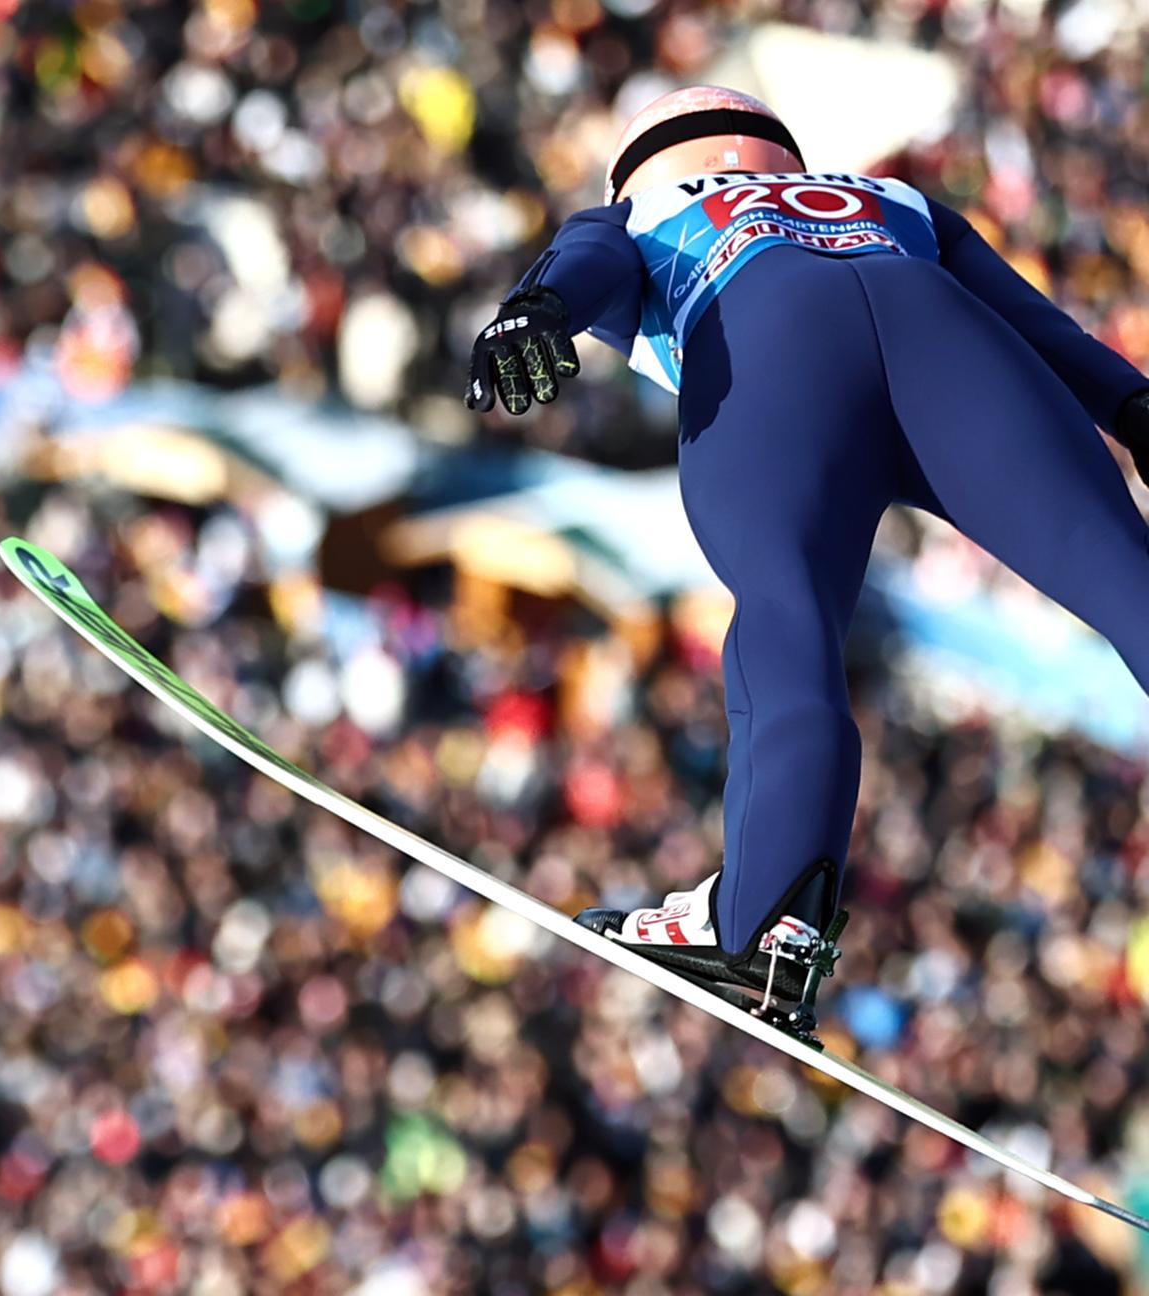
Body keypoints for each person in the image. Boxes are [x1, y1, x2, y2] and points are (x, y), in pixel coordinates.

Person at [464, 86, 1149, 1037]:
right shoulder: (894, 199)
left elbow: (587, 257)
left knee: (789, 618)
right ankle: (749, 910)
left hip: (771, 345)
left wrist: (531, 310)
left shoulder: (651, 209)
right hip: (946, 338)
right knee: (1128, 581)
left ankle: (768, 915)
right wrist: (1129, 406)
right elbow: (1040, 327)